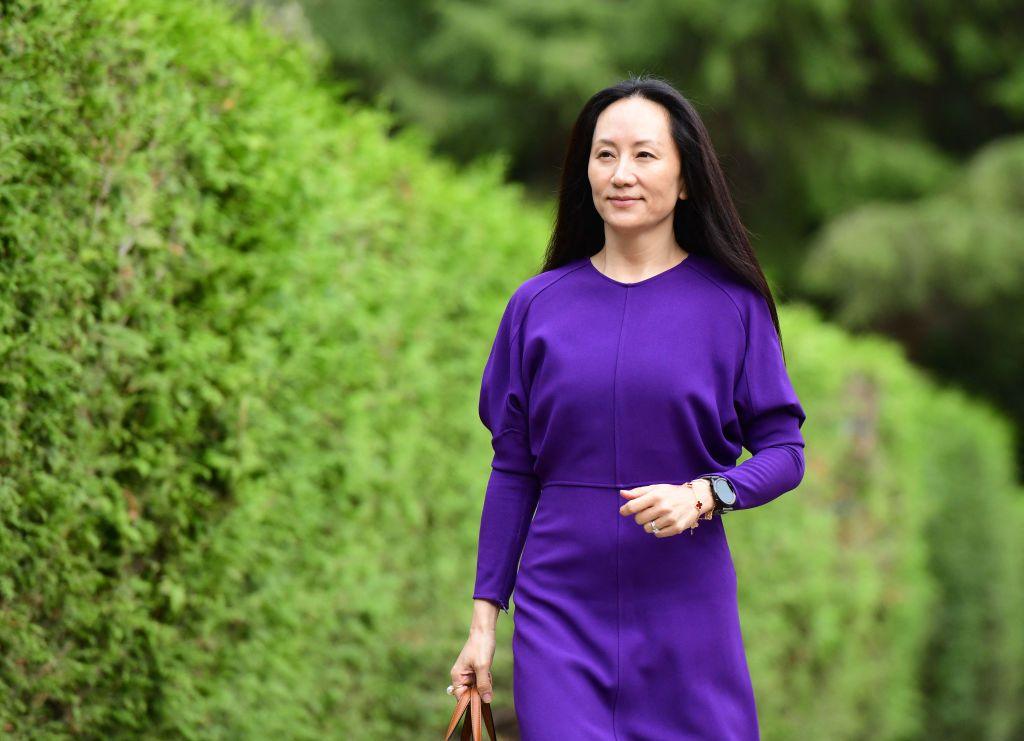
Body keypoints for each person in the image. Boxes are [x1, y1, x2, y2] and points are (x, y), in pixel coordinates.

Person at [448, 75, 807, 740]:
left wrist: (706, 493)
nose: (621, 173)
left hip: (686, 607)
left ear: (686, 177)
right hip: (560, 608)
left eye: (644, 155)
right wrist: (481, 627)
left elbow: (785, 451)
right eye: (603, 153)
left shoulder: (733, 305)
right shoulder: (537, 305)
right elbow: (513, 470)